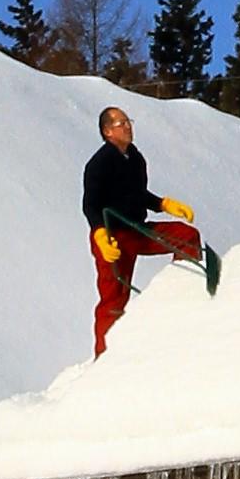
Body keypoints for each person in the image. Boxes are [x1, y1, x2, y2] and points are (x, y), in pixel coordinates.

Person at [83, 100, 221, 351]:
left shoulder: (135, 158)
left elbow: (137, 194)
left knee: (187, 236)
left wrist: (164, 204)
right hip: (113, 238)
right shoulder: (99, 163)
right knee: (113, 300)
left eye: (128, 122)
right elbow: (90, 205)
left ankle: (182, 295)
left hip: (137, 229)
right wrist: (101, 236)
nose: (127, 127)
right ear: (107, 132)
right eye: (120, 123)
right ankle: (103, 360)